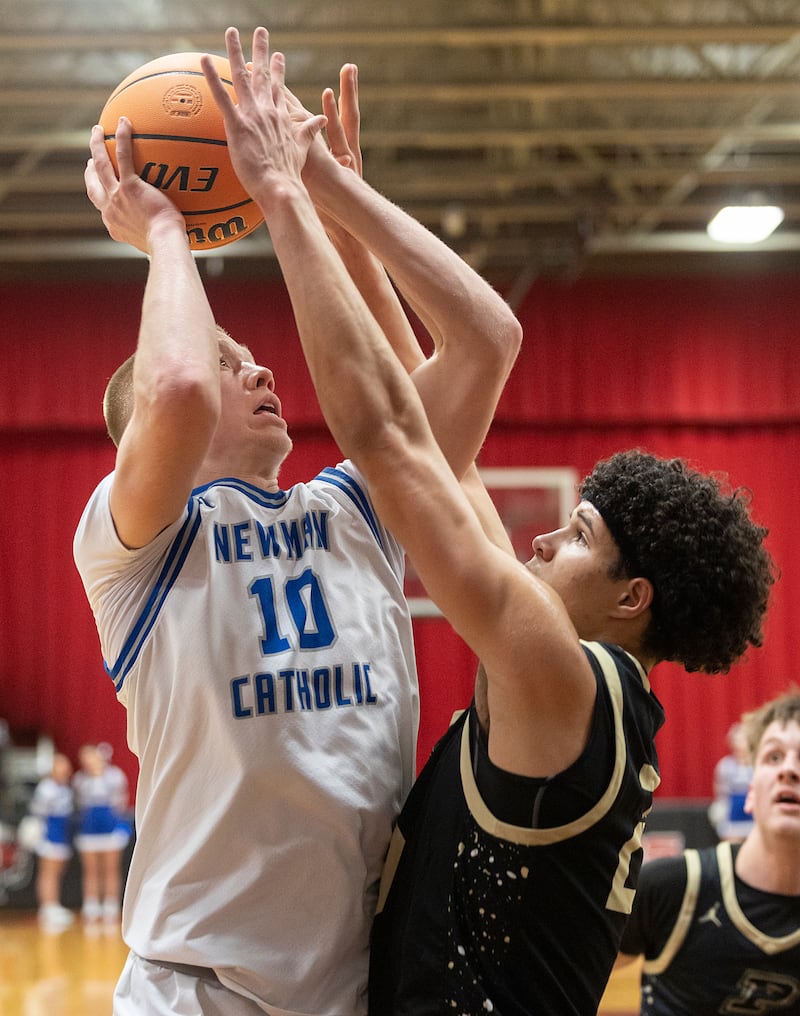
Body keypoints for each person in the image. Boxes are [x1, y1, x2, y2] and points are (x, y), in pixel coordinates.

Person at [197, 27, 774, 1015]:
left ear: (630, 595)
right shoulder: (589, 685)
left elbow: (385, 433)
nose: (543, 536)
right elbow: (444, 422)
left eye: (578, 533)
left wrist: (292, 196)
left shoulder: (563, 677)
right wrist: (337, 208)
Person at [75, 27, 521, 1016]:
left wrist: (328, 194)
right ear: (142, 435)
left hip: (351, 989)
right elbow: (182, 385)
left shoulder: (359, 508)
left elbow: (486, 339)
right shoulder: (132, 542)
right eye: (239, 360)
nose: (261, 370)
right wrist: (163, 232)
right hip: (192, 990)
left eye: (252, 359)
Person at [617, 689, 800, 1015]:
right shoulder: (673, 886)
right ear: (750, 792)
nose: (789, 770)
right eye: (774, 757)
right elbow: (563, 984)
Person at [73, 743, 130, 929]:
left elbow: (120, 802)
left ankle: (111, 906)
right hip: (89, 829)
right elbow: (80, 802)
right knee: (91, 870)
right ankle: (91, 906)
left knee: (111, 869)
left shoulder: (115, 776)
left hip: (110, 827)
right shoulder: (80, 779)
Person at [27, 752, 75, 933]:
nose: (64, 769)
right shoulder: (46, 788)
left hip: (62, 834)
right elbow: (37, 814)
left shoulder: (66, 788)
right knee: (49, 872)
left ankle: (53, 904)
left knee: (57, 871)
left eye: (66, 766)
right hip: (49, 835)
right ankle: (48, 907)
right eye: (60, 765)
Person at [709, 720, 755, 841]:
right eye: (737, 740)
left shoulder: (758, 765)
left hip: (755, 814)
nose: (740, 744)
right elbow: (721, 795)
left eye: (743, 739)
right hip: (732, 815)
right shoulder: (725, 766)